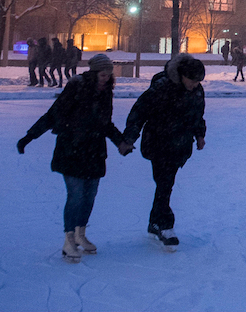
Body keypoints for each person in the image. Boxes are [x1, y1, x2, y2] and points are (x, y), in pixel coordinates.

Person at [15, 54, 131, 263]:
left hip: (94, 151)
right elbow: (52, 114)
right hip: (72, 150)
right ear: (94, 72)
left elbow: (105, 123)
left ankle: (80, 234)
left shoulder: (106, 93)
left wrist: (120, 143)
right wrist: (29, 137)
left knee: (89, 196)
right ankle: (69, 240)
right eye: (103, 74)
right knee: (76, 196)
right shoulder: (76, 88)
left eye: (108, 75)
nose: (106, 78)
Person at [121, 54, 206, 248]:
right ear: (183, 75)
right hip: (159, 143)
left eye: (198, 81)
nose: (195, 84)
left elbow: (198, 115)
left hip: (180, 145)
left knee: (165, 184)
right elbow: (139, 112)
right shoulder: (161, 87)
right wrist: (129, 138)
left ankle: (154, 222)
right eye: (193, 80)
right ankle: (166, 226)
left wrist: (200, 135)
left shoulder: (197, 91)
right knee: (164, 183)